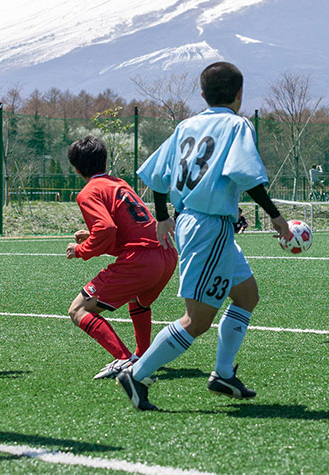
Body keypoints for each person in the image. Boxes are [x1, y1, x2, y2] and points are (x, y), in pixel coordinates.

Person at [115, 61, 291, 411]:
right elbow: (246, 176)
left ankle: (223, 373)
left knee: (246, 295)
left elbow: (157, 174)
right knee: (197, 320)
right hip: (208, 227)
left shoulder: (187, 125)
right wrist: (275, 215)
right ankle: (136, 374)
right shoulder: (237, 125)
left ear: (202, 94)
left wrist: (163, 216)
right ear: (240, 94)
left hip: (201, 223)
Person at [64, 135, 177, 380]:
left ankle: (126, 360)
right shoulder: (119, 183)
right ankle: (143, 354)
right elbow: (129, 234)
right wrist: (94, 238)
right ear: (104, 162)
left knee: (78, 310)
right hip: (167, 253)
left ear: (76, 168)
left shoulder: (88, 192)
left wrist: (81, 251)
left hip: (142, 260)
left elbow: (106, 230)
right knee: (138, 300)